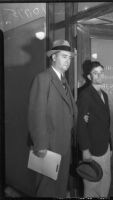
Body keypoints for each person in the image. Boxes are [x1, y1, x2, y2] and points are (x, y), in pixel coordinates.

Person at [28, 40, 78, 198]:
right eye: (64, 57)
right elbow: (36, 114)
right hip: (49, 146)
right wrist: (40, 145)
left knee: (60, 188)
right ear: (53, 57)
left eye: (69, 58)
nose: (68, 61)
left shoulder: (63, 81)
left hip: (64, 144)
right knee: (46, 189)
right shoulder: (43, 78)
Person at [77, 61, 113, 198]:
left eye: (101, 72)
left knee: (105, 182)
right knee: (92, 184)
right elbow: (81, 124)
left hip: (105, 147)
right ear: (89, 76)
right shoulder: (85, 95)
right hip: (92, 149)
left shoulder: (104, 95)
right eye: (95, 73)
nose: (99, 75)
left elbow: (107, 123)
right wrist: (85, 150)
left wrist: (111, 145)